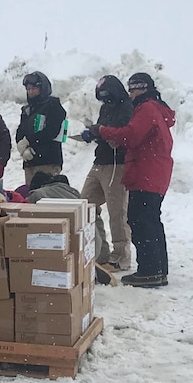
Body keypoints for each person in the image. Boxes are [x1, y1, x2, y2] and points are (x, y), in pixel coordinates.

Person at [86, 72, 175, 288]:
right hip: (152, 171)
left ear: (142, 88)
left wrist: (104, 131)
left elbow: (132, 134)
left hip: (147, 172)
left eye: (134, 88)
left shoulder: (146, 108)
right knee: (150, 220)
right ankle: (157, 270)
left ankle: (149, 270)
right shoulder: (153, 108)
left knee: (140, 220)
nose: (131, 93)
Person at [79, 75, 134, 273]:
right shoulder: (105, 108)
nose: (105, 100)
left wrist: (97, 131)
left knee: (117, 211)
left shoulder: (127, 107)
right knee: (86, 204)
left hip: (117, 163)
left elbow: (119, 131)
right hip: (100, 161)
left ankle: (121, 255)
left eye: (107, 96)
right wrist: (94, 134)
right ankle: (101, 250)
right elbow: (104, 132)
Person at [15, 71, 67, 185]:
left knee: (47, 196)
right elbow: (20, 131)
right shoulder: (27, 110)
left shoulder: (53, 105)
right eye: (28, 89)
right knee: (32, 197)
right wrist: (23, 148)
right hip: (30, 162)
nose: (31, 92)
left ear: (42, 88)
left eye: (34, 88)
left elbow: (51, 131)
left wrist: (30, 141)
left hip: (48, 161)